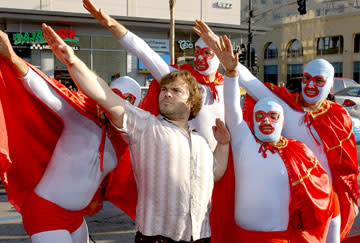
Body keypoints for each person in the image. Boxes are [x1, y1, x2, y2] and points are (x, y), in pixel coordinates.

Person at [42, 23, 230, 242]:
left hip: (200, 237)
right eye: (164, 90)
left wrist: (223, 144)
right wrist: (72, 61)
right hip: (156, 238)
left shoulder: (200, 142)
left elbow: (214, 173)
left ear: (191, 102)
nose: (166, 94)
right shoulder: (147, 127)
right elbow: (104, 95)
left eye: (176, 91)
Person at [193, 20, 359, 241]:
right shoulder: (286, 111)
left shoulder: (338, 117)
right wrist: (228, 64)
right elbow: (250, 84)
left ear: (330, 86)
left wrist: (342, 199)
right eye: (307, 79)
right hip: (285, 198)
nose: (310, 85)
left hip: (322, 201)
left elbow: (346, 167)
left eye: (318, 81)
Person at [0, 30, 141, 242]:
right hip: (45, 210)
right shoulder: (78, 113)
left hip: (77, 219)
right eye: (112, 94)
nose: (112, 102)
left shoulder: (126, 141)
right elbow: (44, 89)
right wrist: (11, 55)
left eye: (125, 99)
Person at [213, 35, 335, 242]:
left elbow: (323, 193)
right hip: (240, 237)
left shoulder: (298, 151)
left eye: (273, 116)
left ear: (282, 121)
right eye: (259, 116)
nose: (266, 121)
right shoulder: (244, 141)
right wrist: (232, 73)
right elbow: (232, 109)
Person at [83, 0, 224, 151]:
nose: (199, 58)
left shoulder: (226, 85)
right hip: (182, 162)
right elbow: (145, 52)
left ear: (219, 56)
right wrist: (112, 25)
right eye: (196, 52)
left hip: (215, 166)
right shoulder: (182, 80)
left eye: (207, 53)